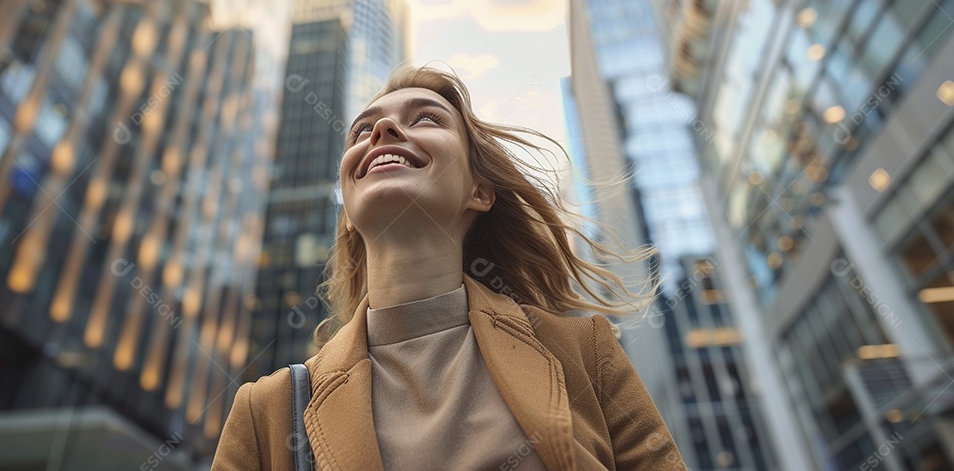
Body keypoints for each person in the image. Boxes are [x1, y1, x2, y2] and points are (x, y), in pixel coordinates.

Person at [213, 64, 685, 470]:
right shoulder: (267, 413)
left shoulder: (584, 354)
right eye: (362, 130)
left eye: (426, 119)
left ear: (478, 191)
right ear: (349, 219)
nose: (382, 133)